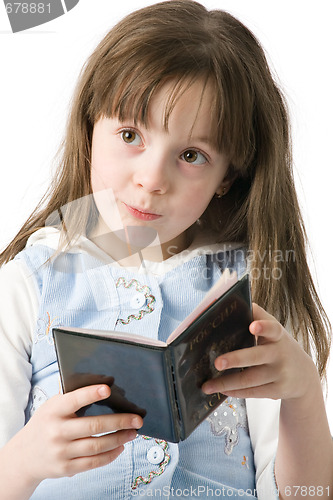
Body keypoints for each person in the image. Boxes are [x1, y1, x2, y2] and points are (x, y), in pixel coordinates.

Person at [0, 1, 332, 499]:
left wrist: (303, 395)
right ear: (90, 129)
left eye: (192, 155)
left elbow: (304, 496)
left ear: (228, 177)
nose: (152, 179)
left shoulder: (250, 293)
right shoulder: (29, 283)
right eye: (130, 134)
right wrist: (24, 462)